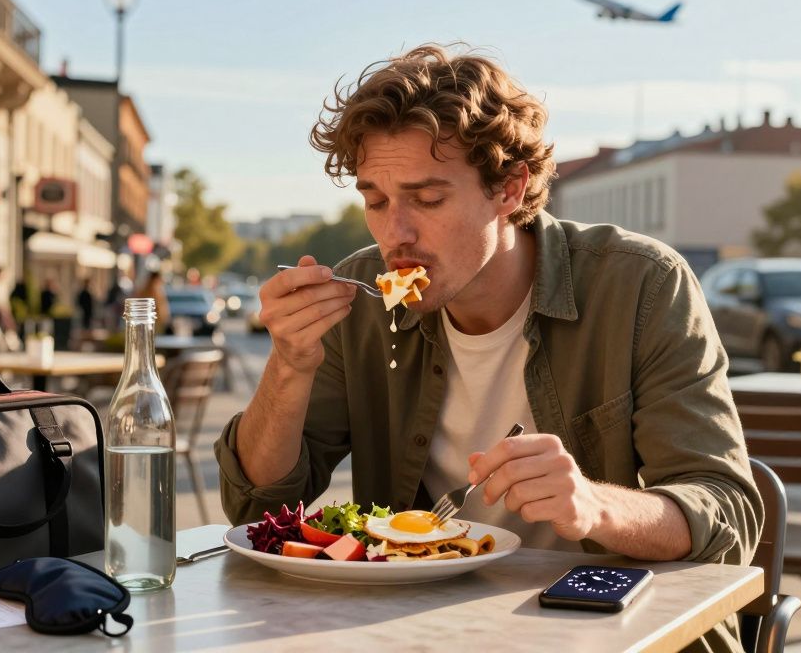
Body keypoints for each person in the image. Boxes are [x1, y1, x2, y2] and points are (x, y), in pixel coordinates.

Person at [213, 45, 760, 653]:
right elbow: (257, 506)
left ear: (509, 187)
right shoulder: (361, 298)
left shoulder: (642, 285)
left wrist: (594, 507)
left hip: (624, 631)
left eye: (427, 199)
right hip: (422, 630)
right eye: (375, 200)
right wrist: (289, 366)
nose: (396, 234)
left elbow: (726, 510)